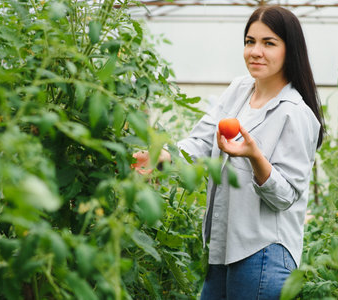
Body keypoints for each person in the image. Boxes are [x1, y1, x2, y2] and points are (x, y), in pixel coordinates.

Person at [133, 5, 324, 299]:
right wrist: (162, 156)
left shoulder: (295, 113)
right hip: (222, 250)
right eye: (250, 42)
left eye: (268, 43)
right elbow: (201, 141)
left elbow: (286, 195)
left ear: (290, 49)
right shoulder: (239, 90)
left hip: (263, 253)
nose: (255, 51)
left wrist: (254, 156)